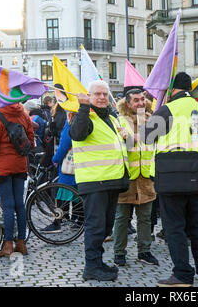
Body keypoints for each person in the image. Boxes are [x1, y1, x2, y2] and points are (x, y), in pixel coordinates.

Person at [142, 72, 198, 287]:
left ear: (172, 89)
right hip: (195, 175)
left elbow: (147, 137)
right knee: (197, 224)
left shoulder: (168, 109)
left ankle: (182, 274)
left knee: (174, 227)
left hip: (170, 176)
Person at [69, 79, 129, 282]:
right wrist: (83, 107)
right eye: (97, 94)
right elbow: (77, 134)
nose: (102, 97)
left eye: (105, 94)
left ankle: (98, 262)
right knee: (96, 227)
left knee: (105, 227)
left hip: (111, 180)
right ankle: (92, 267)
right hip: (95, 182)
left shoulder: (111, 118)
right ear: (89, 96)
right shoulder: (85, 116)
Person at [112, 88, 159, 267]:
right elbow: (118, 145)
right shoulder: (118, 121)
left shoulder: (151, 121)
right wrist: (126, 137)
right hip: (126, 178)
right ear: (128, 103)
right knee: (122, 218)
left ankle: (144, 252)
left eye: (142, 99)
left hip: (146, 177)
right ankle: (119, 253)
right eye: (136, 100)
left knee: (145, 218)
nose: (141, 103)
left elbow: (157, 144)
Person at [0, 102, 35, 257]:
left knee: (7, 205)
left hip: (2, 168)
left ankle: (8, 245)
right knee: (20, 204)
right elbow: (31, 142)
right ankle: (21, 242)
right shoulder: (24, 115)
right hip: (20, 166)